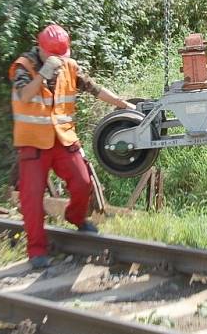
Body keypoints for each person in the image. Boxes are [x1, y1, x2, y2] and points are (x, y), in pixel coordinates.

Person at [9, 23, 135, 268]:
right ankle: (36, 251)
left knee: (83, 182)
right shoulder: (23, 66)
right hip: (33, 143)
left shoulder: (69, 66)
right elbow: (24, 95)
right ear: (41, 49)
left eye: (61, 55)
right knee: (31, 197)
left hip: (63, 139)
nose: (58, 60)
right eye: (53, 56)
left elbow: (94, 89)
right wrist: (44, 73)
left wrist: (124, 105)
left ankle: (75, 217)